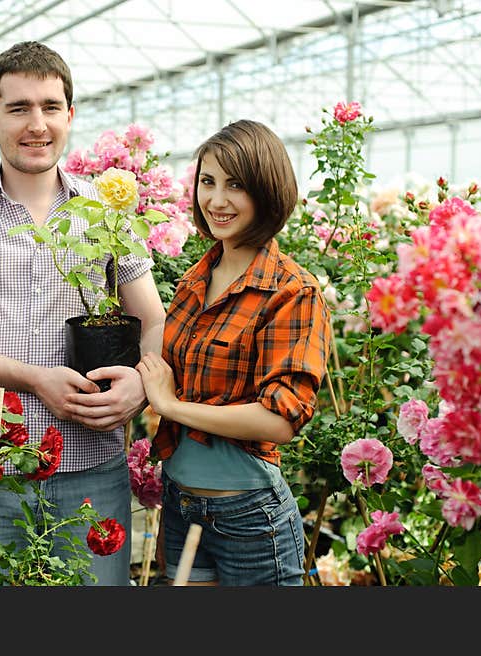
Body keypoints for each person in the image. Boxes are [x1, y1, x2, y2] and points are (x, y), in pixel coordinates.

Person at [0, 41, 166, 585]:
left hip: (91, 470)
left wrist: (141, 386)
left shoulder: (105, 211)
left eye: (50, 107)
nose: (36, 124)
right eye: (18, 108)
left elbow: (154, 322)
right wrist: (32, 379)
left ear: (70, 116)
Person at [135, 119, 332, 586]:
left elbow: (280, 420)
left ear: (266, 191)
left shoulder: (292, 291)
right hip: (181, 501)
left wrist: (171, 405)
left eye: (235, 185)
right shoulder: (193, 281)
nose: (217, 201)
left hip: (250, 515)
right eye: (208, 182)